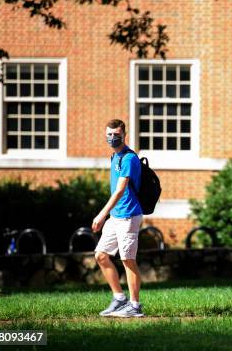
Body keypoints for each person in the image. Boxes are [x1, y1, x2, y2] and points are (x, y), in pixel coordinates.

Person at [93, 119, 144, 317]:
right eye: (109, 134)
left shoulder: (129, 158)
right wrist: (109, 214)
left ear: (124, 135)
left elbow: (120, 190)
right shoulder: (115, 157)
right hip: (116, 216)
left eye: (116, 134)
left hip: (129, 215)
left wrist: (101, 213)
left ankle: (135, 306)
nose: (112, 138)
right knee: (101, 255)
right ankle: (119, 298)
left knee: (128, 259)